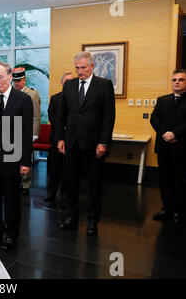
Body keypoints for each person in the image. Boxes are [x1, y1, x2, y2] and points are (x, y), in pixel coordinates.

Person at [55, 51, 116, 236]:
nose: (80, 71)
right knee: (71, 183)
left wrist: (104, 142)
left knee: (93, 184)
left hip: (93, 144)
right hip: (72, 142)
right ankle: (71, 216)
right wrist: (60, 138)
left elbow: (108, 116)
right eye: (77, 68)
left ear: (92, 66)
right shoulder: (70, 85)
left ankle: (92, 220)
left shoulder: (104, 85)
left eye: (83, 67)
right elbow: (61, 114)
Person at [0, 62, 33, 250]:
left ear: (10, 77)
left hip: (13, 158)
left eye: (0, 77)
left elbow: (26, 133)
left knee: (11, 200)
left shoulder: (23, 99)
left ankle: (11, 234)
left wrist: (25, 161)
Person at [150, 69, 186, 224]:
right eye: (174, 79)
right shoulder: (163, 100)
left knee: (180, 180)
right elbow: (154, 118)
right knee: (165, 179)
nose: (177, 82)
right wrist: (164, 133)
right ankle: (166, 208)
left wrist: (174, 134)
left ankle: (179, 211)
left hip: (183, 147)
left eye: (181, 79)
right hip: (164, 147)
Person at [11, 67, 41, 195]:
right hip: (12, 131)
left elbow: (36, 115)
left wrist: (34, 133)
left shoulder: (32, 93)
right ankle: (15, 181)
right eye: (15, 81)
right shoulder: (10, 92)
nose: (17, 83)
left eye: (19, 80)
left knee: (26, 158)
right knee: (13, 158)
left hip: (26, 132)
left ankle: (25, 184)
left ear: (24, 80)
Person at [46, 72, 73, 203]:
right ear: (62, 83)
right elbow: (51, 115)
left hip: (72, 140)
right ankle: (51, 193)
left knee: (69, 170)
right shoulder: (55, 98)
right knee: (54, 168)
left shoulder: (77, 99)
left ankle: (66, 194)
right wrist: (62, 127)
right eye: (66, 81)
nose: (69, 83)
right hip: (57, 138)